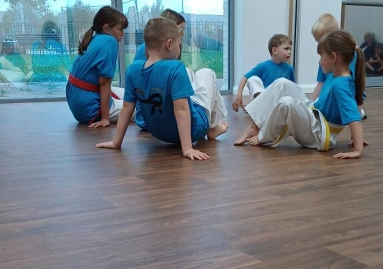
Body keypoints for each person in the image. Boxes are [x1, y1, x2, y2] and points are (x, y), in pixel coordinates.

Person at [96, 17, 228, 161]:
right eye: (179, 44)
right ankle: (212, 129)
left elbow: (127, 108)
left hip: (159, 133)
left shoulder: (132, 70)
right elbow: (181, 110)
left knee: (190, 75)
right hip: (194, 129)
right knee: (206, 73)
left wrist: (116, 143)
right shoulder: (176, 67)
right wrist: (188, 148)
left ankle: (211, 128)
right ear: (169, 44)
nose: (179, 48)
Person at [234, 29, 365, 160]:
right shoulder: (334, 75)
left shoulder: (341, 85)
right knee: (282, 83)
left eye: (321, 56)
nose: (319, 61)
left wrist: (358, 150)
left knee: (287, 103)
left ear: (333, 57)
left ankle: (263, 136)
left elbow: (354, 116)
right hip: (315, 113)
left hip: (320, 133)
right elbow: (352, 53)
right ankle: (253, 126)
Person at [66, 6, 128, 128]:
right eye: (120, 29)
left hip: (78, 102)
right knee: (141, 107)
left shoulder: (95, 39)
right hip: (90, 109)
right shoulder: (110, 41)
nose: (123, 34)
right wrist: (105, 118)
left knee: (129, 94)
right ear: (106, 28)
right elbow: (104, 83)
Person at [133, 9, 186, 131]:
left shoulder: (152, 50)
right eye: (181, 30)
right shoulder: (149, 52)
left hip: (148, 117)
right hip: (154, 118)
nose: (182, 35)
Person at [232, 34, 295, 112]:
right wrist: (239, 95)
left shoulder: (289, 68)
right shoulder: (263, 66)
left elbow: (293, 88)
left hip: (281, 101)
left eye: (290, 49)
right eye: (286, 49)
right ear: (275, 50)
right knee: (252, 79)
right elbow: (244, 78)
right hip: (265, 98)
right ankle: (260, 107)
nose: (290, 52)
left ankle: (256, 108)